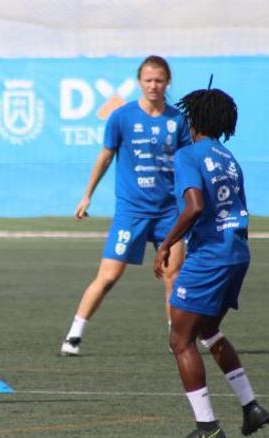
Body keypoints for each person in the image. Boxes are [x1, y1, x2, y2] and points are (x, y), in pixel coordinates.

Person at [153, 86, 269, 438]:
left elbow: (194, 206)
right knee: (208, 332)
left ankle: (208, 428)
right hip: (236, 253)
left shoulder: (188, 155)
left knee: (180, 339)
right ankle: (251, 406)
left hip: (210, 257)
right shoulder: (229, 158)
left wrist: (167, 244)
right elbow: (242, 213)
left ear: (194, 121)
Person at [61, 55, 191, 356]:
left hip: (169, 213)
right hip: (131, 212)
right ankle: (74, 335)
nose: (153, 85)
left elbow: (187, 162)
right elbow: (105, 156)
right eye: (148, 80)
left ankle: (176, 337)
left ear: (167, 81)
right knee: (108, 276)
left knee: (174, 276)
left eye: (159, 80)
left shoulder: (178, 120)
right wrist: (87, 195)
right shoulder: (122, 117)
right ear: (139, 82)